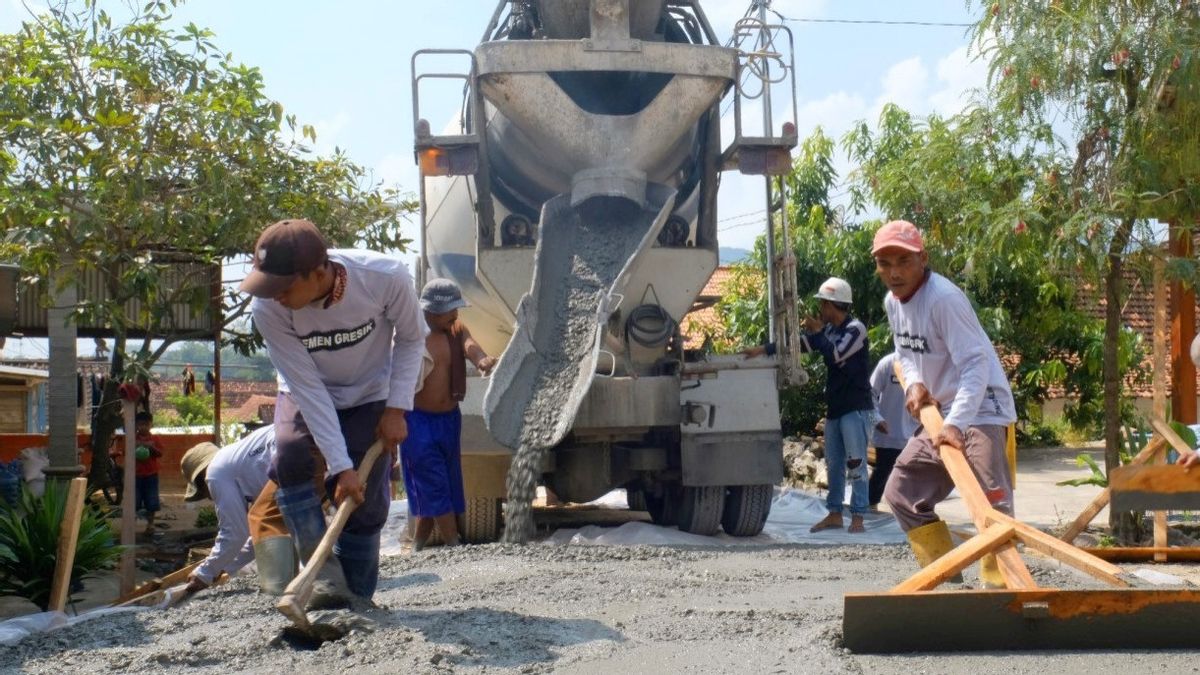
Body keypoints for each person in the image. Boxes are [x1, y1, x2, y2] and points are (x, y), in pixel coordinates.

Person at [241, 218, 425, 602]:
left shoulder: (384, 277)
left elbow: (410, 338)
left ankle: (357, 597)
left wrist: (396, 408)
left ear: (318, 271)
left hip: (370, 391)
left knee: (367, 497)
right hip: (306, 391)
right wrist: (339, 466)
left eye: (284, 286)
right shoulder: (268, 309)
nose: (275, 296)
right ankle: (323, 581)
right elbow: (308, 387)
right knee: (290, 456)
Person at [872, 220, 1016, 588]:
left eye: (903, 261)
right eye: (885, 264)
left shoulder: (945, 300)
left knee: (991, 503)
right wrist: (916, 384)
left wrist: (958, 423)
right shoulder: (893, 302)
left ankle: (1001, 591)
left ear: (923, 258)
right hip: (940, 416)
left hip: (981, 409)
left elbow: (975, 364)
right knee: (901, 494)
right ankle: (945, 578)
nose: (894, 273)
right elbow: (903, 352)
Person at [744, 277, 874, 534]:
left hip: (855, 407)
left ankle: (858, 516)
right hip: (837, 408)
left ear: (832, 304)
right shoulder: (830, 331)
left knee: (856, 464)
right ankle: (835, 513)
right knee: (834, 464)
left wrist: (818, 333)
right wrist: (762, 350)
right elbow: (799, 346)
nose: (819, 311)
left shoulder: (855, 330)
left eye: (822, 305)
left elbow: (836, 354)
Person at [403, 279, 497, 551]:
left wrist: (481, 360)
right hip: (417, 422)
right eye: (450, 310)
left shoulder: (456, 329)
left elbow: (471, 346)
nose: (456, 315)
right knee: (432, 480)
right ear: (431, 311)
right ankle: (453, 543)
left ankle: (418, 545)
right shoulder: (413, 335)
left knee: (446, 479)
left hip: (449, 419)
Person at [181, 426, 282, 595]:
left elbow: (235, 533)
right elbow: (260, 532)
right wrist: (222, 566)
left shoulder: (215, 473)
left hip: (291, 454)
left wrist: (205, 572)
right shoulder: (243, 466)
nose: (209, 497)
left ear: (202, 480)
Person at [868, 352, 917, 510]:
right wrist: (876, 418)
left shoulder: (925, 364)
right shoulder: (888, 363)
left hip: (915, 435)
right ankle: (870, 509)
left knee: (913, 479)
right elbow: (870, 393)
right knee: (882, 474)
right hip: (888, 433)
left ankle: (909, 515)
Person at [110, 411, 163, 536]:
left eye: (146, 424)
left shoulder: (155, 439)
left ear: (151, 425)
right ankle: (130, 527)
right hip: (135, 476)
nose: (143, 427)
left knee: (152, 500)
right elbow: (125, 453)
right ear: (136, 425)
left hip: (151, 475)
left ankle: (150, 525)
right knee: (134, 501)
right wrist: (135, 446)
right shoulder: (131, 439)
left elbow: (160, 453)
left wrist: (151, 447)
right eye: (140, 424)